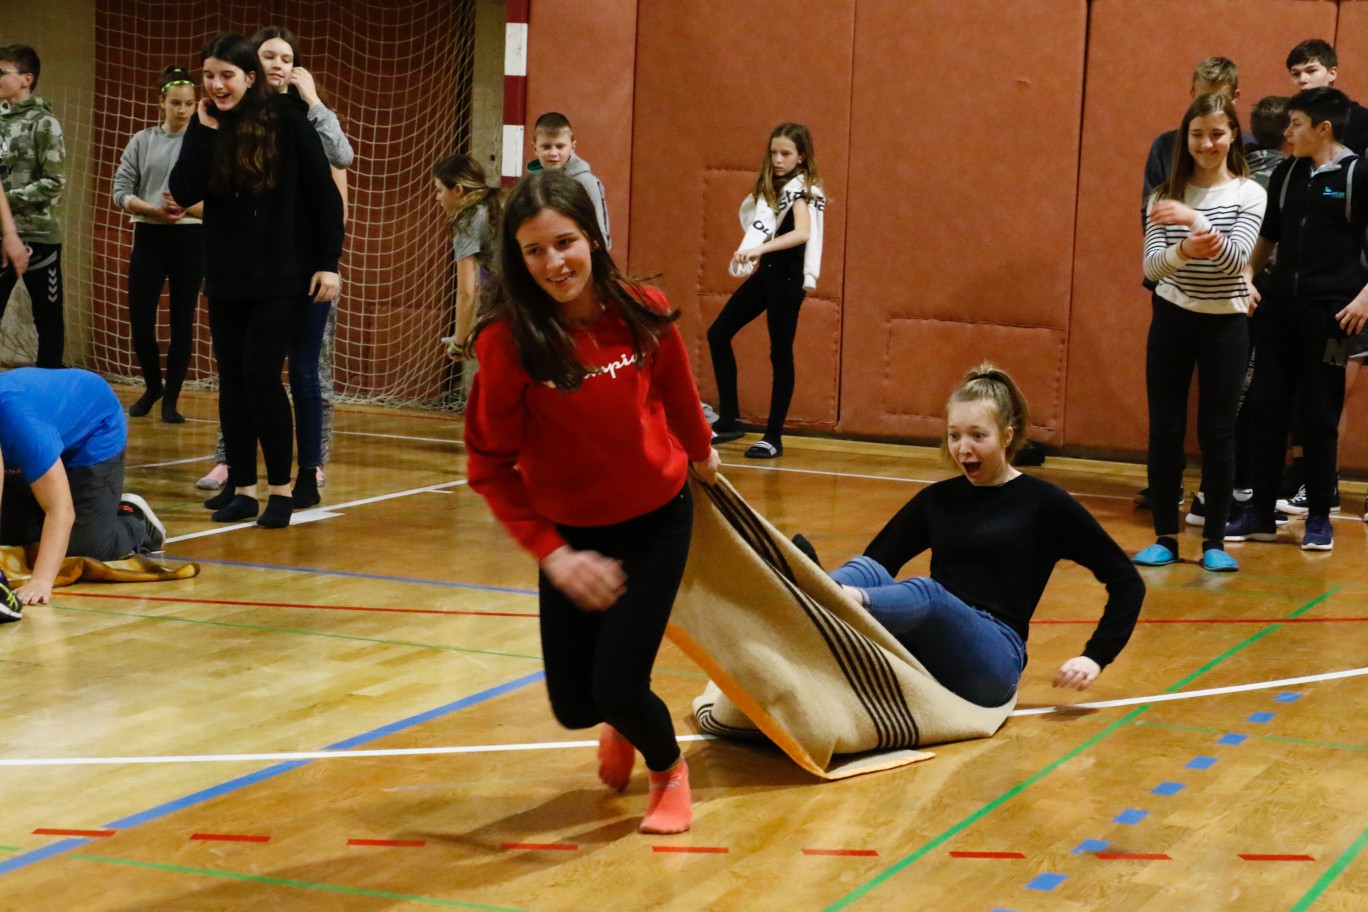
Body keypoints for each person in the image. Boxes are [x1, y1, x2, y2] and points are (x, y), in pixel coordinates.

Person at [464, 169, 719, 835]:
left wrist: (702, 454)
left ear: (593, 239)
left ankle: (668, 772)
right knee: (577, 706)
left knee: (619, 685)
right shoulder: (508, 343)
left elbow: (677, 389)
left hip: (658, 520)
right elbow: (489, 467)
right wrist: (554, 555)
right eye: (534, 251)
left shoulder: (640, 307)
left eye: (565, 242)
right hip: (573, 536)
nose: (554, 263)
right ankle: (621, 721)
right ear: (517, 259)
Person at [820, 365, 1143, 706]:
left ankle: (835, 599)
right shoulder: (937, 500)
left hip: (997, 660)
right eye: (954, 435)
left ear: (1006, 436)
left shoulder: (1045, 504)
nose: (963, 448)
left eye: (977, 435)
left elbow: (1127, 582)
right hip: (932, 654)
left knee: (928, 593)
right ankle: (809, 590)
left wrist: (1095, 656)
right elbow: (876, 565)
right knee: (869, 570)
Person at [168, 32, 343, 530]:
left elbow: (325, 196)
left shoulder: (288, 119)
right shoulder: (209, 123)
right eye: (208, 75)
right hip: (227, 276)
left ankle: (281, 490)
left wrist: (328, 262)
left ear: (249, 77)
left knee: (261, 377)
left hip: (281, 274)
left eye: (226, 75)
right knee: (232, 382)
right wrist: (202, 132)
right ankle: (243, 488)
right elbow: (182, 190)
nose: (216, 85)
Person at [1226, 87, 1368, 552]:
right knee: (1267, 410)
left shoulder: (1358, 175)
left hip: (1334, 319)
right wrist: (1248, 276)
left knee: (1321, 415)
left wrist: (1364, 299)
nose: (1287, 133)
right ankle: (1261, 512)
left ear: (1323, 128)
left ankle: (1320, 516)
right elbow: (1268, 236)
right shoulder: (1287, 173)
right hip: (1280, 311)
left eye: (1296, 124)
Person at [1131, 93, 1265, 572]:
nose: (1207, 144)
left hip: (1226, 323)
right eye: (1197, 134)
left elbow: (1236, 262)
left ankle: (1214, 542)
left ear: (1233, 136)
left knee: (1218, 431)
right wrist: (1185, 249)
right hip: (1173, 318)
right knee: (1165, 428)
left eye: (1217, 133)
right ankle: (1165, 537)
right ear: (1184, 138)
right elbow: (1152, 267)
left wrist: (1196, 221)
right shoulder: (1163, 196)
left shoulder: (1249, 193)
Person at [0, 368, 165, 613]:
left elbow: (60, 510)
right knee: (11, 537)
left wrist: (41, 581)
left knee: (85, 548)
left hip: (93, 432)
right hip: (48, 429)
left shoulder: (24, 427)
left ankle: (134, 520)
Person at [706, 122, 825, 459]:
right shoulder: (774, 185)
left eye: (786, 153)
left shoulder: (801, 190)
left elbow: (802, 233)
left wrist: (758, 249)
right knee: (718, 334)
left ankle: (773, 436)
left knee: (780, 353)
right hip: (768, 275)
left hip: (788, 281)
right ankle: (730, 419)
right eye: (774, 152)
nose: (778, 159)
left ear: (801, 157)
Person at [112, 65, 205, 424]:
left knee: (182, 319)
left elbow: (220, 200)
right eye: (176, 103)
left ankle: (172, 400)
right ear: (161, 102)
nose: (183, 110)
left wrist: (186, 207)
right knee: (140, 318)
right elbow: (121, 191)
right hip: (149, 234)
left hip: (191, 236)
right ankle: (153, 386)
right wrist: (151, 208)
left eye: (189, 104)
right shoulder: (142, 140)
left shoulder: (204, 142)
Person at [0, 44, 66, 368]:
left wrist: (7, 199)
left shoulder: (44, 122)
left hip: (39, 237)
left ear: (26, 79)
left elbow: (55, 181)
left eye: (2, 72)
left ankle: (49, 386)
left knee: (48, 319)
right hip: (1, 236)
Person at [433, 153, 501, 395]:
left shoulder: (468, 219)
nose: (437, 198)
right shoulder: (496, 204)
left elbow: (466, 292)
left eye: (440, 190)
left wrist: (459, 342)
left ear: (458, 190)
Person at [528, 112, 610, 247]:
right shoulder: (532, 183)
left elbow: (600, 233)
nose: (553, 153)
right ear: (535, 148)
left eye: (560, 146)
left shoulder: (586, 182)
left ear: (572, 147)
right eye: (546, 146)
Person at [1285, 39, 1368, 154]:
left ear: (1332, 73)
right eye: (1296, 74)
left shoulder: (1361, 119)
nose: (1302, 79)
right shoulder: (1288, 118)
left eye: (1311, 71)